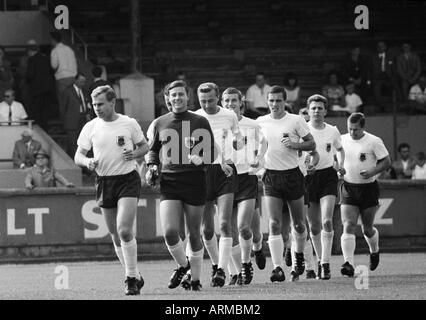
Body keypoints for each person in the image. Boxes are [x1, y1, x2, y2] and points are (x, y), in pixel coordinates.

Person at [74, 85, 149, 295]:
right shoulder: (90, 126)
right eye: (94, 104)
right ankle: (134, 274)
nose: (96, 108)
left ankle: (129, 279)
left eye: (100, 104)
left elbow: (145, 146)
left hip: (127, 179)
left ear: (112, 103)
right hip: (104, 182)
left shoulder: (129, 123)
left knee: (125, 230)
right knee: (116, 236)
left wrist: (135, 154)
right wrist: (87, 161)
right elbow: (78, 155)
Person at [145, 80, 218, 291]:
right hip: (170, 181)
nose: (177, 98)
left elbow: (212, 151)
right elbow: (152, 149)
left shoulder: (200, 121)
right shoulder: (160, 122)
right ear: (168, 98)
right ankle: (183, 266)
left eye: (181, 95)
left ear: (188, 97)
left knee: (194, 233)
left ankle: (195, 280)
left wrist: (201, 158)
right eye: (173, 95)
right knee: (169, 232)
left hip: (195, 181)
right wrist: (152, 166)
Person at [256, 85, 316, 282]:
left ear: (285, 102)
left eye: (278, 101)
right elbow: (253, 147)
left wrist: (295, 145)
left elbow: (312, 144)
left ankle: (298, 257)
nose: (275, 104)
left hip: (293, 176)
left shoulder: (295, 120)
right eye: (271, 101)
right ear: (267, 102)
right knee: (273, 224)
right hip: (271, 177)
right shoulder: (260, 122)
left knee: (299, 225)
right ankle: (277, 268)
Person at [194, 82, 243, 287]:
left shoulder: (229, 115)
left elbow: (239, 138)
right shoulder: (194, 117)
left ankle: (222, 271)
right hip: (203, 172)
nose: (207, 104)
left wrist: (237, 143)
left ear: (218, 98)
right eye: (203, 101)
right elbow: (192, 149)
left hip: (226, 171)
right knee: (206, 230)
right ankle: (218, 265)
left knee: (224, 224)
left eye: (211, 100)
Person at [221, 87, 268, 285]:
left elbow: (264, 143)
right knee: (229, 229)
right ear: (222, 103)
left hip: (247, 179)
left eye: (234, 100)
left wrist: (259, 160)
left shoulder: (252, 124)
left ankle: (254, 252)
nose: (230, 104)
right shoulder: (217, 124)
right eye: (227, 101)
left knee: (246, 229)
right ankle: (238, 272)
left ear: (241, 102)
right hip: (225, 179)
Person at [340, 113, 391, 277]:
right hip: (348, 187)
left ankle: (374, 251)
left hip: (368, 189)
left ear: (363, 127)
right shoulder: (341, 139)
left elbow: (386, 161)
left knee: (367, 229)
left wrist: (372, 171)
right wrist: (338, 168)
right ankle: (348, 263)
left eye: (356, 129)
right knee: (348, 225)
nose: (352, 132)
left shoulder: (374, 141)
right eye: (349, 128)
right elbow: (336, 159)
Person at [305, 94, 346, 280]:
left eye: (320, 108)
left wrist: (340, 165)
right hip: (308, 178)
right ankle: (319, 260)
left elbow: (340, 149)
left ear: (325, 111)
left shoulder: (333, 130)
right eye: (313, 108)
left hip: (328, 176)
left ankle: (326, 264)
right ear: (308, 110)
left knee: (327, 221)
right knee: (313, 226)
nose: (316, 111)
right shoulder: (302, 129)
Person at [26, 39, 56, 130]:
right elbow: (51, 71)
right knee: (45, 110)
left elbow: (30, 74)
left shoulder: (32, 59)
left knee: (37, 110)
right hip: (48, 88)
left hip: (37, 89)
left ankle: (38, 128)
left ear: (30, 51)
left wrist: (27, 80)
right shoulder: (45, 58)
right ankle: (45, 127)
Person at [50, 31, 78, 121]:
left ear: (54, 40)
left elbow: (54, 65)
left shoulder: (55, 51)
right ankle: (74, 121)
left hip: (61, 78)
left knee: (63, 102)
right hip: (73, 77)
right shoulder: (69, 49)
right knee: (73, 101)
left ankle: (65, 123)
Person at [62, 73, 92, 157]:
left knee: (82, 142)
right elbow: (63, 108)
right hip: (71, 120)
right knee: (72, 142)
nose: (83, 83)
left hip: (83, 118)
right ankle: (72, 159)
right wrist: (64, 122)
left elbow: (88, 104)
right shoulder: (68, 91)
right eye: (81, 81)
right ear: (75, 80)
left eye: (84, 81)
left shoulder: (84, 91)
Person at [370, 41, 398, 112]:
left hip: (388, 77)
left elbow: (394, 69)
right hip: (377, 77)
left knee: (396, 86)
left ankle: (398, 106)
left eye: (382, 46)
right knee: (376, 88)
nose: (380, 48)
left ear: (385, 47)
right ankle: (381, 106)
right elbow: (370, 69)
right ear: (377, 48)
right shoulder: (373, 57)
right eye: (379, 46)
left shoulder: (390, 56)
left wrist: (393, 78)